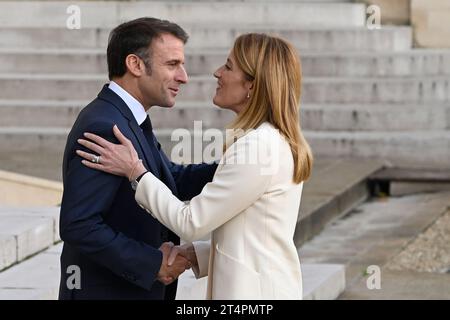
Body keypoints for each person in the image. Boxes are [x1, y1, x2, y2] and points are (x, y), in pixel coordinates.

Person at [77, 33, 313, 299]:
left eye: (229, 66)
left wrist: (136, 172)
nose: (218, 73)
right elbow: (256, 237)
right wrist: (193, 254)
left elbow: (190, 222)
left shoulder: (258, 147)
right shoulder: (268, 140)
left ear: (252, 85)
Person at [58, 17, 218, 300]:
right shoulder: (106, 126)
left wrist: (236, 166)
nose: (184, 76)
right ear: (135, 65)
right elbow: (79, 224)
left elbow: (171, 179)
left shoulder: (126, 116)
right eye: (172, 64)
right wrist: (151, 263)